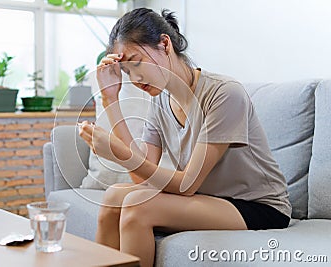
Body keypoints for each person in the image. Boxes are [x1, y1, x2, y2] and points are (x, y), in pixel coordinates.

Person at [78, 7, 291, 267]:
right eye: (127, 72)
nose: (134, 79)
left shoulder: (224, 94)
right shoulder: (161, 100)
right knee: (114, 196)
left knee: (137, 205)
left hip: (257, 207)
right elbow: (141, 176)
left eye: (135, 64)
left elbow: (187, 184)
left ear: (164, 44)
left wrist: (119, 153)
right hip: (206, 199)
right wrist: (111, 98)